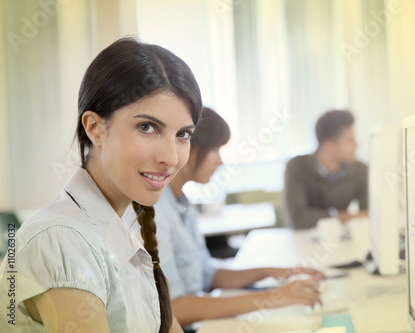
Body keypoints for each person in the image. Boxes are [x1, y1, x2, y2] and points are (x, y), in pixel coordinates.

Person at [0, 37, 202, 333]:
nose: (170, 157)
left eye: (182, 134)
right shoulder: (60, 239)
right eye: (147, 127)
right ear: (95, 128)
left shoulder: (125, 224)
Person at [151, 108, 326, 328]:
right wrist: (272, 297)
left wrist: (269, 272)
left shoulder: (183, 204)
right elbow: (174, 310)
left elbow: (208, 275)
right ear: (186, 146)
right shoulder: (156, 213)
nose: (220, 162)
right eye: (214, 149)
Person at [283, 110, 368, 229]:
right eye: (350, 140)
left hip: (340, 241)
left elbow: (369, 214)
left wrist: (333, 217)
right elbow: (297, 219)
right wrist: (339, 216)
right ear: (329, 146)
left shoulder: (360, 170)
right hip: (302, 242)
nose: (356, 145)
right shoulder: (297, 167)